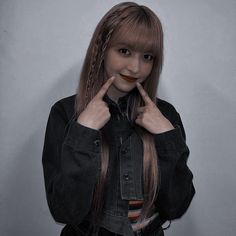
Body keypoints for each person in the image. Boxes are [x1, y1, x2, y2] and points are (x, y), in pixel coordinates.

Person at [42, 2, 195, 236]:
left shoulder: (166, 116)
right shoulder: (65, 113)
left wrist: (166, 135)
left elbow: (176, 207)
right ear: (101, 49)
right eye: (124, 51)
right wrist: (84, 131)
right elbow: (65, 212)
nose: (135, 67)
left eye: (147, 56)